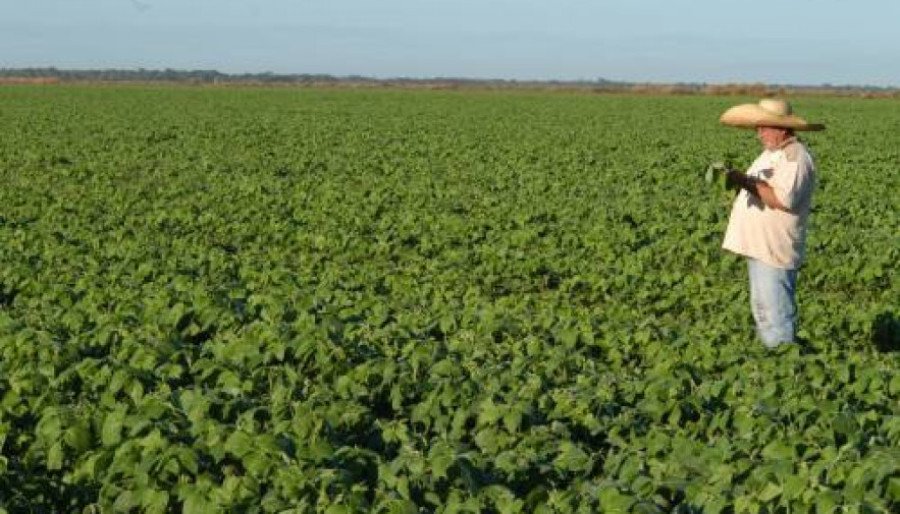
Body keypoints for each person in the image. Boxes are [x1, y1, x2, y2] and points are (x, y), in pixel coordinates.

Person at [717, 98, 825, 348]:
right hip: (761, 246)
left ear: (782, 128)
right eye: (758, 127)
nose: (759, 133)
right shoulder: (773, 153)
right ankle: (776, 362)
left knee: (775, 316)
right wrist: (737, 183)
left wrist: (744, 181)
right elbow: (762, 189)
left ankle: (787, 369)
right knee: (764, 312)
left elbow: (781, 199)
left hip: (774, 248)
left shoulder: (795, 157)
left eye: (764, 127)